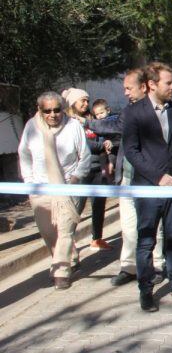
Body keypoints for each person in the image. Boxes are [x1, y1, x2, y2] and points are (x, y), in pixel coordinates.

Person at [123, 62, 172, 312]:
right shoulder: (135, 113)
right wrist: (158, 177)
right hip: (148, 188)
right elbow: (132, 151)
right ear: (152, 84)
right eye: (169, 83)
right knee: (146, 241)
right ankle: (146, 289)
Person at [86, 70, 166, 287]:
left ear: (144, 87)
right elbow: (113, 127)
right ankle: (129, 267)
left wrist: (87, 122)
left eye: (129, 88)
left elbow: (115, 127)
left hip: (151, 179)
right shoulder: (129, 110)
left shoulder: (158, 111)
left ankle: (156, 266)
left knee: (153, 226)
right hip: (128, 179)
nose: (125, 93)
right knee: (129, 226)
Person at [18, 92, 91, 290]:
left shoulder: (73, 126)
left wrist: (75, 179)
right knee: (49, 232)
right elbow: (24, 154)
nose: (53, 115)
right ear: (40, 110)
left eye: (57, 110)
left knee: (65, 231)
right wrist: (29, 181)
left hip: (68, 187)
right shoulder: (32, 127)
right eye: (47, 111)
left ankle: (61, 271)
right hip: (40, 188)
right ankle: (71, 256)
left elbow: (85, 156)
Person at [63, 88, 112, 250]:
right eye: (82, 100)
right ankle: (68, 240)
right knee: (77, 206)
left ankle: (97, 238)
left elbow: (103, 134)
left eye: (87, 100)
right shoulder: (68, 122)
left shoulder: (90, 119)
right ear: (72, 103)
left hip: (99, 167)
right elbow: (84, 144)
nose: (86, 104)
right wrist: (102, 146)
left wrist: (105, 146)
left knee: (99, 204)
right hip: (81, 170)